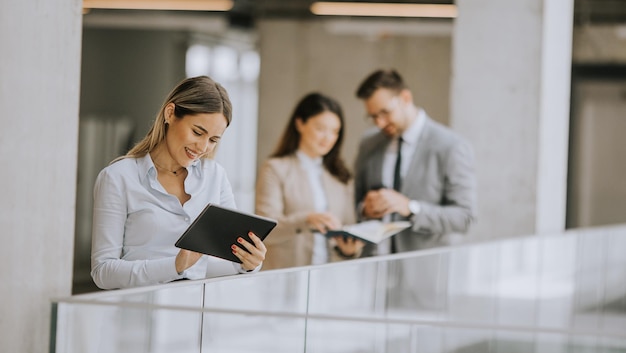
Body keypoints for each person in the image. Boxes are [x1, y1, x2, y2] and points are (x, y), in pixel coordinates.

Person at [91, 76, 267, 290]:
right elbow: (103, 272)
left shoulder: (215, 177)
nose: (203, 147)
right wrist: (174, 265)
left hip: (196, 312)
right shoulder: (117, 177)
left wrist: (247, 264)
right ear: (170, 113)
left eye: (213, 140)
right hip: (136, 313)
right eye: (197, 132)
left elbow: (208, 267)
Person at [354, 69, 476, 255]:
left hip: (424, 273)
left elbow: (465, 218)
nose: (379, 123)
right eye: (373, 117)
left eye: (385, 112)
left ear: (405, 98)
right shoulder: (368, 143)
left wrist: (411, 208)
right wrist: (365, 209)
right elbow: (357, 202)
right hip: (373, 269)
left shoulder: (451, 146)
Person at [255, 92, 364, 270]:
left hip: (330, 280)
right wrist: (306, 220)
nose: (328, 138)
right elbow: (265, 230)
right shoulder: (275, 168)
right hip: (285, 276)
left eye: (335, 131)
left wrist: (349, 250)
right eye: (321, 129)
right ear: (300, 124)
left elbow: (348, 229)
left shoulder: (341, 177)